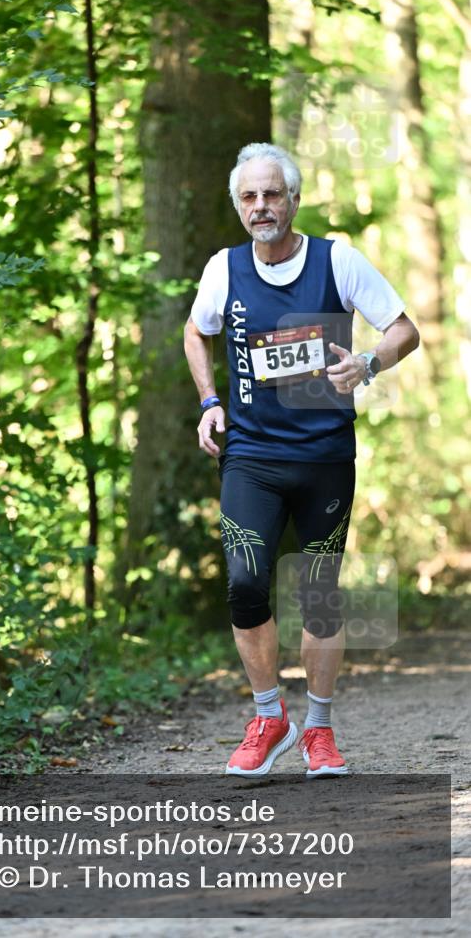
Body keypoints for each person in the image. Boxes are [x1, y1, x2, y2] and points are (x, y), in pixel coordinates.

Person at [183, 142, 420, 778]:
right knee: (244, 583)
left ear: (294, 198)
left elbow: (404, 329)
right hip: (252, 456)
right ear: (239, 206)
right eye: (249, 197)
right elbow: (195, 329)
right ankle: (269, 716)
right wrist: (210, 401)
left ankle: (318, 728)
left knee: (319, 598)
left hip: (323, 457)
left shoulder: (337, 261)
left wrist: (368, 362)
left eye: (272, 194)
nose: (262, 206)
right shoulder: (223, 269)